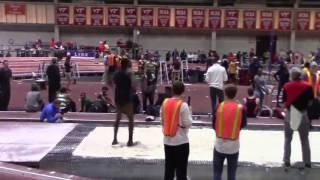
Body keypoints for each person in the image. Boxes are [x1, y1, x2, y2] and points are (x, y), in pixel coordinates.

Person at [213, 85, 247, 180]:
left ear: (225, 94)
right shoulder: (241, 108)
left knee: (217, 172)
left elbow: (213, 124)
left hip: (219, 144)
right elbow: (243, 124)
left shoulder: (219, 106)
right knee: (232, 174)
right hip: (234, 145)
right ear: (235, 94)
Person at [282, 67, 314, 169]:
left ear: (291, 75)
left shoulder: (286, 86)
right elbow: (310, 102)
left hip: (290, 114)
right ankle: (307, 162)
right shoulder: (308, 86)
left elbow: (284, 101)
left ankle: (287, 161)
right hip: (303, 114)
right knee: (304, 139)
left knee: (288, 139)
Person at [161, 81, 192, 180]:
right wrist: (190, 112)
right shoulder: (183, 105)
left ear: (172, 90)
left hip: (167, 140)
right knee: (181, 172)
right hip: (181, 141)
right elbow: (187, 123)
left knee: (169, 170)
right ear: (183, 91)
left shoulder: (165, 103)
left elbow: (162, 119)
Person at [112, 59, 136, 146]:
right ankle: (130, 140)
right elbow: (134, 86)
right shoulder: (130, 73)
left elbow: (112, 83)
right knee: (130, 120)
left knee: (117, 119)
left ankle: (114, 139)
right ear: (127, 65)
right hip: (127, 98)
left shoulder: (116, 73)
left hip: (118, 97)